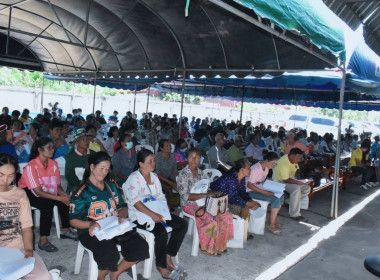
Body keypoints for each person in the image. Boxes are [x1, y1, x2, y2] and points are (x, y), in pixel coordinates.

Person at [69, 152, 149, 280]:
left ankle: (115, 273)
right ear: (92, 167)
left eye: (107, 169)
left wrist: (121, 216)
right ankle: (101, 277)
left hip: (114, 226)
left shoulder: (111, 185)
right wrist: (90, 224)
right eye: (101, 168)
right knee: (109, 253)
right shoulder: (82, 191)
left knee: (140, 247)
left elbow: (122, 207)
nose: (104, 172)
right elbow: (73, 220)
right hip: (91, 230)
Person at [123, 149, 188, 279]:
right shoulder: (133, 179)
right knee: (161, 232)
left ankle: (168, 254)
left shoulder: (154, 177)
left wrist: (165, 207)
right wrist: (153, 215)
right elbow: (136, 202)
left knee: (182, 224)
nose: (154, 164)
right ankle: (161, 266)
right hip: (139, 215)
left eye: (154, 161)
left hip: (156, 211)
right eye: (150, 161)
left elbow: (160, 196)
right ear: (141, 164)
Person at [18, 137, 77, 252]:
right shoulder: (31, 166)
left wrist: (62, 194)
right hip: (27, 191)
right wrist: (59, 198)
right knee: (47, 205)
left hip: (46, 188)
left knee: (65, 200)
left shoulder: (53, 164)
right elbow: (37, 191)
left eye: (53, 147)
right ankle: (43, 240)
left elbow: (57, 185)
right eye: (49, 148)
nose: (52, 150)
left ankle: (65, 229)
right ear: (40, 149)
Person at [0, 153, 53, 280]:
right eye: (1, 175)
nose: (5, 180)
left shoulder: (19, 194)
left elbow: (26, 226)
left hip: (18, 247)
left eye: (10, 176)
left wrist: (29, 249)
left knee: (44, 277)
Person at [177, 148, 233, 256]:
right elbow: (185, 196)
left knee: (226, 214)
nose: (194, 159)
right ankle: (206, 247)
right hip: (189, 204)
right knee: (209, 217)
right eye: (191, 157)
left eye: (197, 157)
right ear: (187, 159)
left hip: (203, 201)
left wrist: (212, 192)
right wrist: (206, 195)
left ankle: (219, 243)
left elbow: (207, 187)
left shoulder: (201, 173)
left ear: (200, 159)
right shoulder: (183, 174)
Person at [246, 152, 284, 235]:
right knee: (275, 198)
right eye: (273, 163)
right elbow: (249, 185)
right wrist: (265, 192)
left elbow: (260, 182)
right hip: (250, 191)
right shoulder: (256, 169)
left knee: (281, 195)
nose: (274, 166)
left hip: (259, 189)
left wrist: (271, 188)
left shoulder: (266, 168)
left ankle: (274, 220)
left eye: (275, 164)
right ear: (266, 160)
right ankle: (271, 224)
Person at [273, 148, 310, 222]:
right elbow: (285, 179)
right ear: (292, 156)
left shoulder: (293, 160)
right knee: (296, 188)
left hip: (290, 179)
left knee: (306, 188)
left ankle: (288, 201)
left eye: (300, 158)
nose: (299, 160)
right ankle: (295, 214)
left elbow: (297, 169)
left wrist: (299, 180)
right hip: (280, 181)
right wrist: (297, 182)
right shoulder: (283, 162)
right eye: (297, 158)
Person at [65, 129, 93, 194]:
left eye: (87, 139)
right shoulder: (71, 156)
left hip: (91, 184)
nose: (86, 141)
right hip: (76, 185)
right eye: (83, 139)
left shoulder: (93, 154)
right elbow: (69, 175)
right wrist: (81, 183)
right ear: (77, 142)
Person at [155, 139, 180, 208]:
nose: (170, 147)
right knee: (167, 188)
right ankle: (167, 205)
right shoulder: (157, 157)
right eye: (167, 146)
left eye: (170, 145)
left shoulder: (172, 156)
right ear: (161, 148)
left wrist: (177, 180)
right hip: (159, 179)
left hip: (169, 177)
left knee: (179, 186)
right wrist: (171, 183)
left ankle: (171, 203)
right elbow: (157, 174)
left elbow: (174, 170)